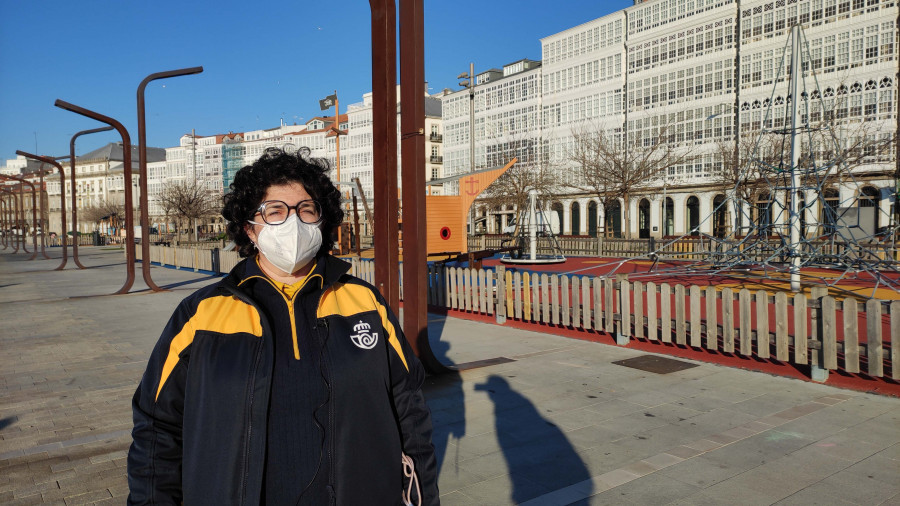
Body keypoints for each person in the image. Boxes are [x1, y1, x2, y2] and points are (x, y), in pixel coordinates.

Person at [127, 147, 439, 505]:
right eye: (275, 211)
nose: (293, 222)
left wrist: (424, 496)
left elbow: (410, 411)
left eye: (306, 209)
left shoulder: (363, 301)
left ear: (322, 221)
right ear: (249, 228)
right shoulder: (201, 314)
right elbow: (157, 426)